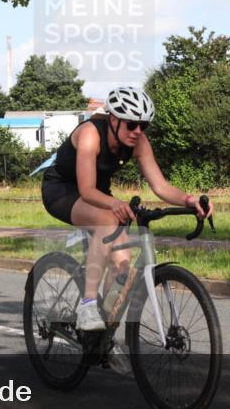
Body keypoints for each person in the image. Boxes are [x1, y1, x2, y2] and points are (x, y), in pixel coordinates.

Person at [41, 86, 214, 331]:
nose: (137, 131)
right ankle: (87, 305)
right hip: (63, 190)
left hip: (98, 195)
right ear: (113, 119)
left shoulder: (138, 142)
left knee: (122, 259)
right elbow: (87, 190)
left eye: (143, 126)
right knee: (108, 221)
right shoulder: (91, 134)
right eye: (131, 124)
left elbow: (160, 185)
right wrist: (115, 203)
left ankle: (104, 338)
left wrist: (189, 200)